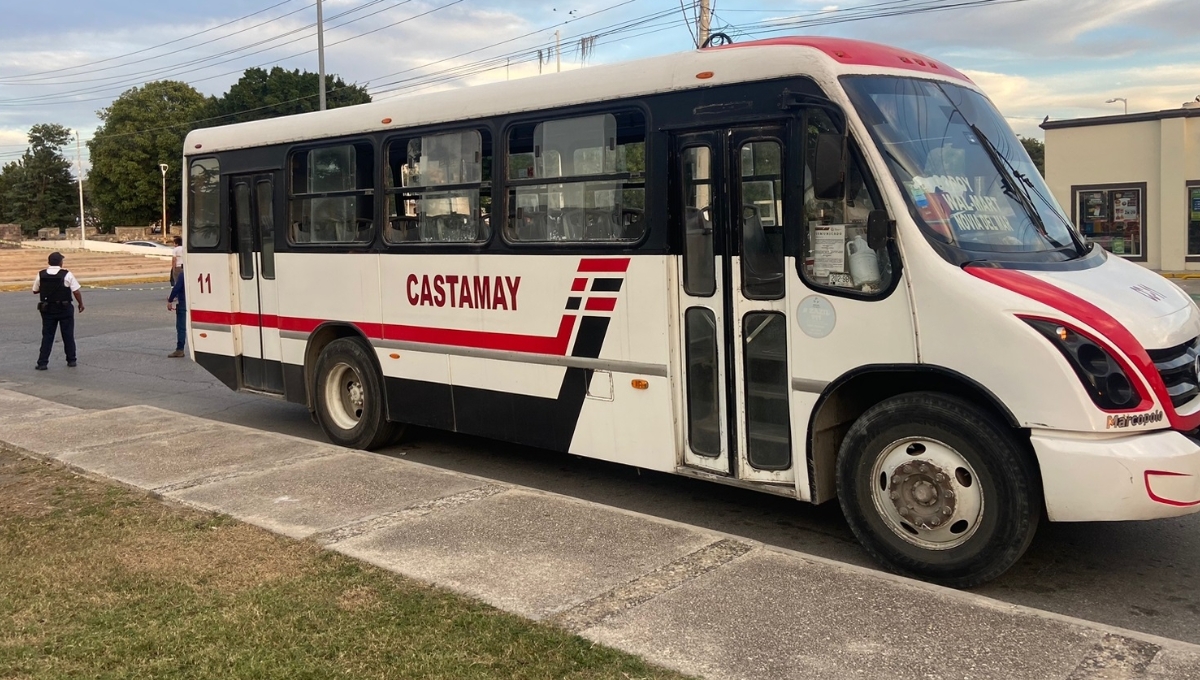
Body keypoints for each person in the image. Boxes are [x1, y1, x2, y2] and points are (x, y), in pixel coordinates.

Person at [32, 251, 84, 370]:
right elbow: (75, 291)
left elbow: (35, 290)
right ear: (60, 262)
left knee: (47, 335)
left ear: (49, 262)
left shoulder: (41, 274)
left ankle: (42, 362)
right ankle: (71, 360)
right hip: (64, 308)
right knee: (68, 334)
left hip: (47, 309)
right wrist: (80, 303)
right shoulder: (67, 274)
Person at [167, 267, 186, 358]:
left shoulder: (183, 275)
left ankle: (180, 349)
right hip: (195, 303)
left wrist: (170, 300)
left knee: (181, 327)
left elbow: (177, 288)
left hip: (184, 302)